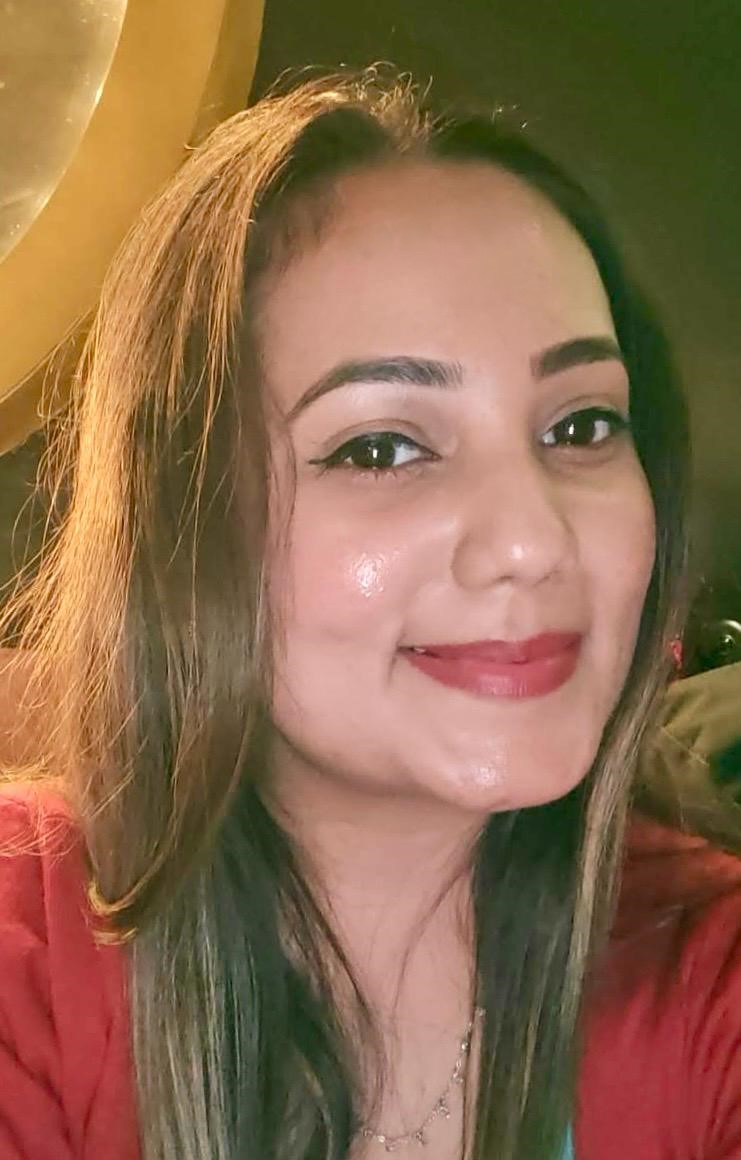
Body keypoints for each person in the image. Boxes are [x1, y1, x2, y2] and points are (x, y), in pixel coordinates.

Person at [1, 66, 740, 1160]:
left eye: (581, 426)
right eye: (383, 446)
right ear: (187, 522)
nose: (533, 540)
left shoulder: (706, 968)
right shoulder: (27, 955)